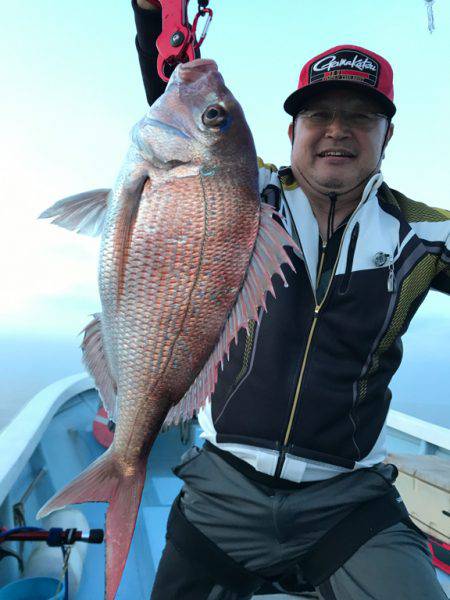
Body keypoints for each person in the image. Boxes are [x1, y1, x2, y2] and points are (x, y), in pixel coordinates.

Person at [132, 2, 450, 598]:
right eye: (319, 114)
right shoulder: (244, 192)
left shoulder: (425, 233)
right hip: (225, 483)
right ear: (291, 132)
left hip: (348, 501)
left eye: (361, 117)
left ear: (388, 135)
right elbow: (182, 111)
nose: (337, 129)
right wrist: (155, 18)